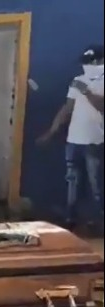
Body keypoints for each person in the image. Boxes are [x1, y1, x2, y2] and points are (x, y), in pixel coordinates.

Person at [38, 45, 104, 231]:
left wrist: (87, 92)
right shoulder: (78, 80)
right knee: (72, 181)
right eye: (86, 62)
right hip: (74, 140)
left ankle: (99, 221)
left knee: (97, 184)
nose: (88, 65)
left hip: (96, 140)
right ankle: (71, 218)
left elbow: (102, 107)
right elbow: (67, 109)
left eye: (92, 61)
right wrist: (51, 132)